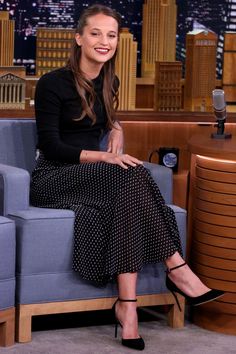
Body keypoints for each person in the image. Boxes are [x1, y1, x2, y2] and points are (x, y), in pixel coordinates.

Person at [30, 4, 224, 351]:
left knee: (130, 186)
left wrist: (115, 124)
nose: (104, 41)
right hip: (54, 178)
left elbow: (102, 118)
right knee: (128, 175)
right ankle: (177, 268)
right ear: (78, 38)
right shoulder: (52, 83)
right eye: (95, 33)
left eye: (110, 35)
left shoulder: (109, 80)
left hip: (95, 178)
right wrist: (105, 155)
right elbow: (52, 145)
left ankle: (128, 308)